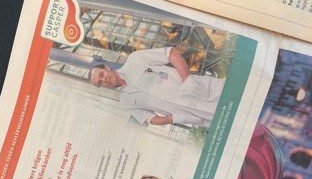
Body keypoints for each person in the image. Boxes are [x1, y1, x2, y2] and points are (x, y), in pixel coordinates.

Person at [88, 47, 224, 127]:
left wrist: (187, 79)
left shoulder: (135, 59)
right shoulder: (126, 101)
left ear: (107, 67)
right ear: (102, 87)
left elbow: (170, 53)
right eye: (100, 82)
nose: (104, 79)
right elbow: (149, 118)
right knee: (227, 123)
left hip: (206, 91)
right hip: (195, 115)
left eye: (101, 74)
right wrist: (173, 119)